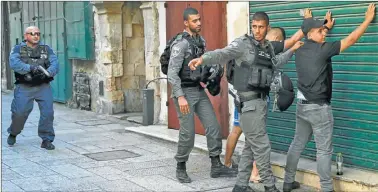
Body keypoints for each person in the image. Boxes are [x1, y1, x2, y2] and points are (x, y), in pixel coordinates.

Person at [188, 11, 306, 192]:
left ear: (267, 27)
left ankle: (241, 186)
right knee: (263, 147)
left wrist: (292, 50)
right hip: (249, 104)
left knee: (250, 148)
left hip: (259, 105)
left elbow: (275, 63)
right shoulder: (244, 44)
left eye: (261, 27)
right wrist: (202, 59)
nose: (257, 31)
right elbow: (223, 53)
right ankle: (270, 186)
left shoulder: (267, 47)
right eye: (254, 27)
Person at [283, 4, 375, 192]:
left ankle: (287, 182)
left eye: (324, 31)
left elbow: (311, 32)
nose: (324, 34)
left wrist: (321, 24)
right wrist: (367, 20)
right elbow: (351, 39)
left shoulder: (298, 47)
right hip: (319, 109)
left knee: (297, 143)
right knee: (324, 150)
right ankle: (326, 188)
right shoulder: (323, 49)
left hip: (302, 107)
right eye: (320, 31)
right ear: (310, 34)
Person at [167, 7, 238, 184]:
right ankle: (181, 166)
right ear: (186, 23)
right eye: (194, 21)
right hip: (183, 92)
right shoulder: (180, 44)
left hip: (198, 90)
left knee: (213, 126)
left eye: (199, 20)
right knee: (188, 132)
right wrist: (180, 96)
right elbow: (171, 73)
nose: (199, 23)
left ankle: (216, 165)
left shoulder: (201, 41)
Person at [224, 27, 292, 184]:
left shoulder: (255, 46)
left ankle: (237, 171)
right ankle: (252, 172)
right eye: (280, 41)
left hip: (245, 98)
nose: (280, 45)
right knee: (250, 135)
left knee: (249, 136)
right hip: (248, 100)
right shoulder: (262, 49)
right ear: (276, 38)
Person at [7, 26, 59, 150]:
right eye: (32, 33)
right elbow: (14, 63)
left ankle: (46, 139)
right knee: (19, 113)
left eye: (38, 33)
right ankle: (14, 132)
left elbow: (55, 63)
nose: (35, 36)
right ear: (26, 36)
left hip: (43, 86)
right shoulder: (18, 49)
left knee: (48, 113)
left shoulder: (46, 49)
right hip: (24, 87)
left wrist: (48, 72)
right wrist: (30, 68)